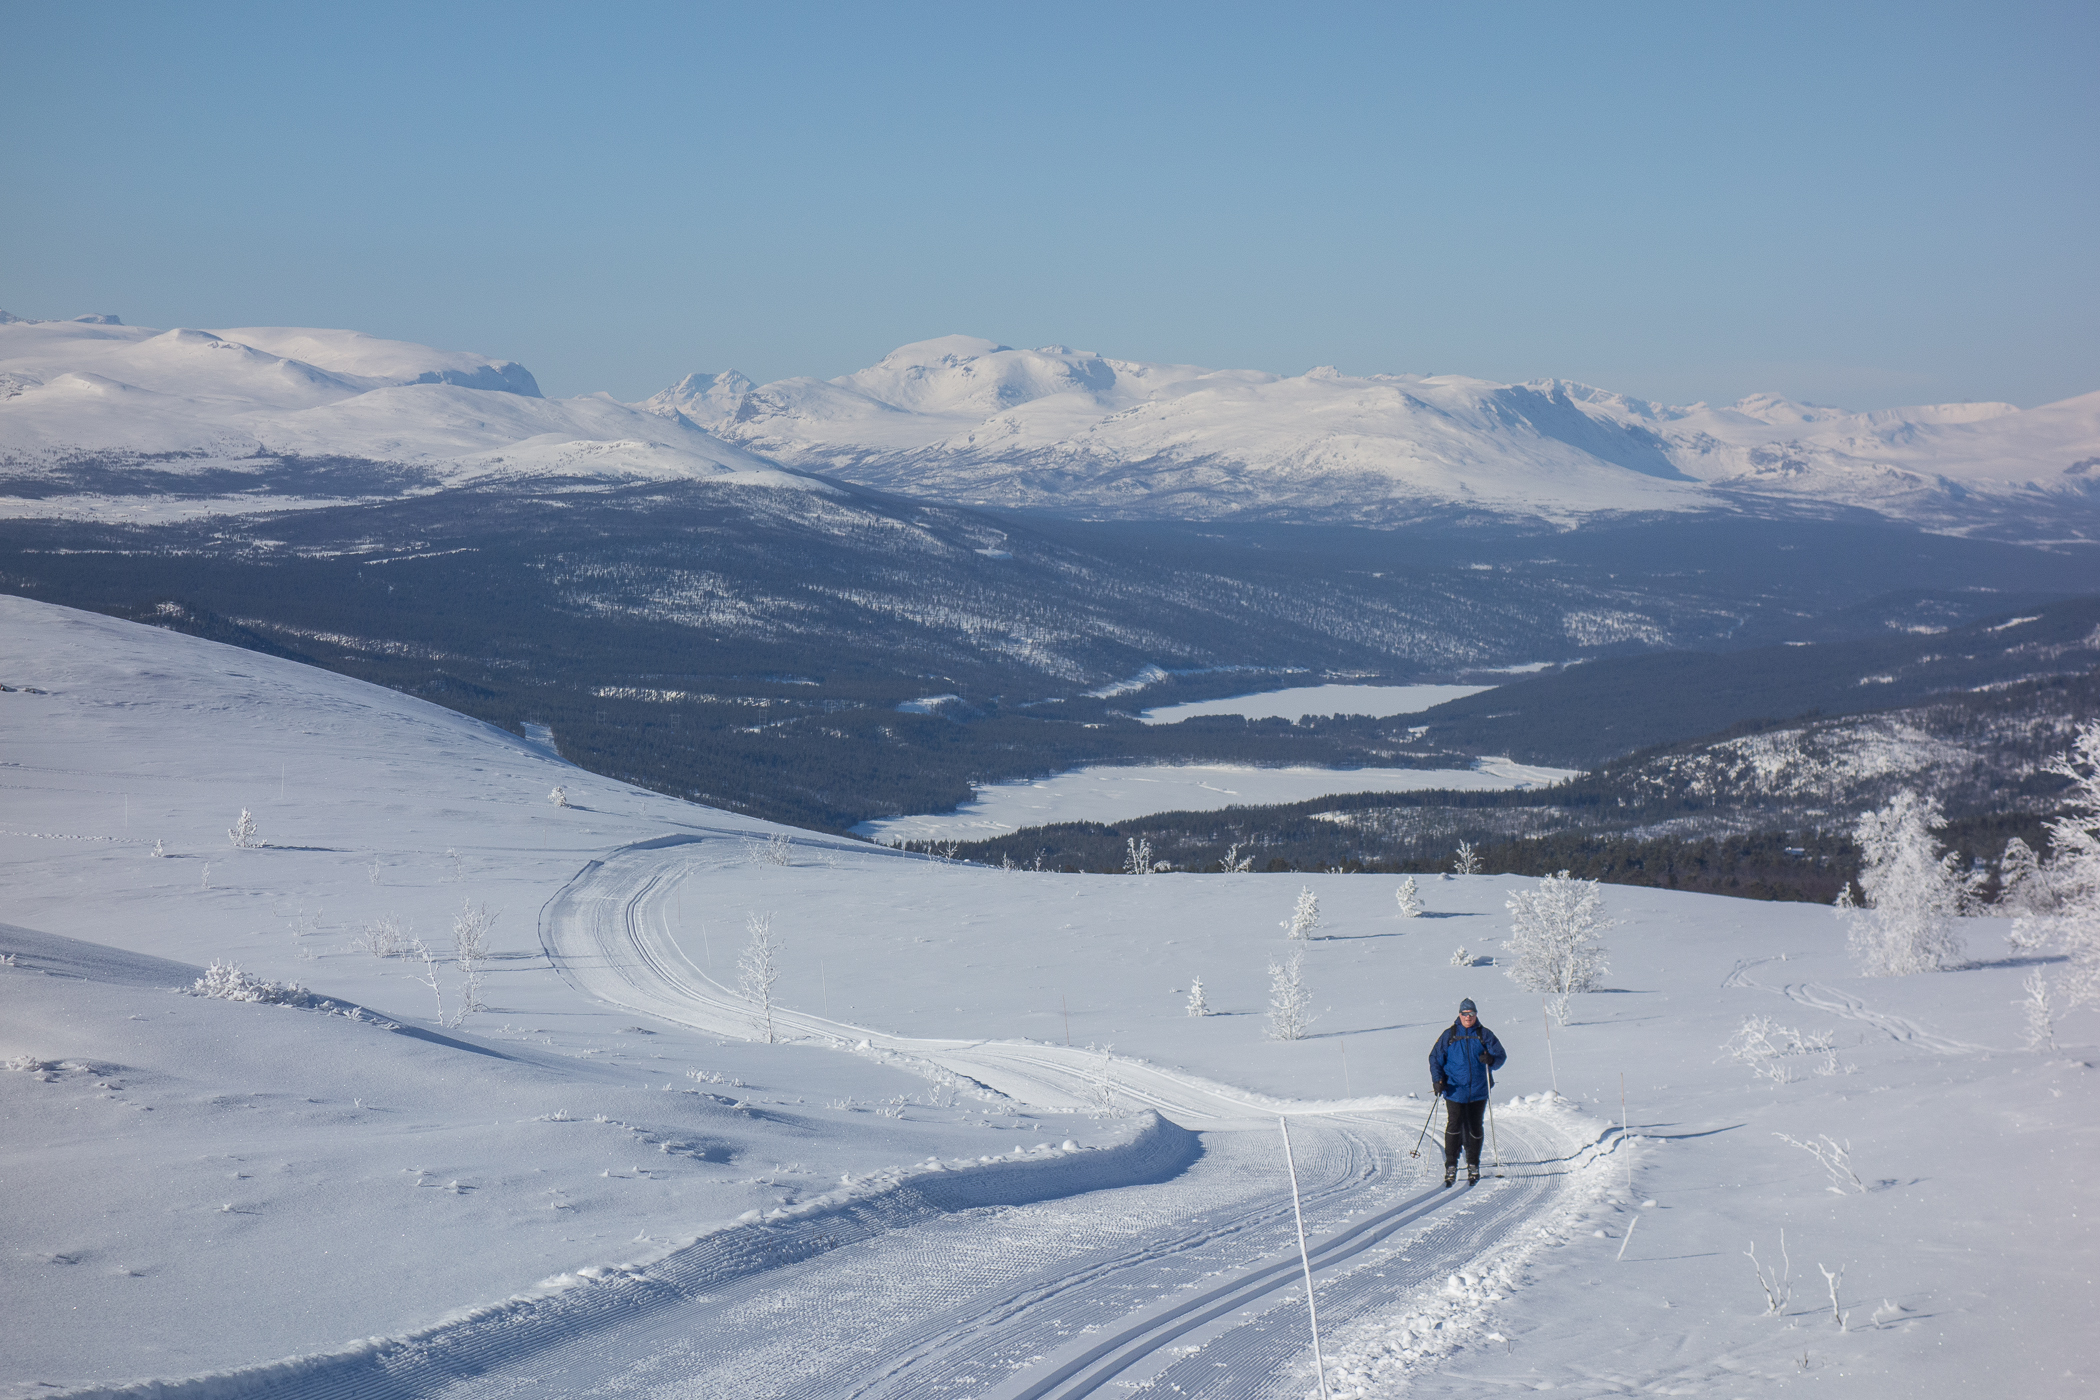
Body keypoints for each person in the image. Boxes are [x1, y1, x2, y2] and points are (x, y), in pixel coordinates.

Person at [1427, 997, 1507, 1186]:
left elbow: (1501, 1055)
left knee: (1475, 1126)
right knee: (1454, 1126)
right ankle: (1451, 1165)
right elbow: (1434, 1058)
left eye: (1471, 1014)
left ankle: (1473, 1163)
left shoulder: (1484, 1034)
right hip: (1455, 1089)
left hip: (1478, 1090)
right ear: (1459, 1015)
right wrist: (1437, 1081)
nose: (1468, 1017)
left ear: (1476, 1015)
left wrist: (1491, 1060)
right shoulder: (1450, 1034)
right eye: (1464, 1014)